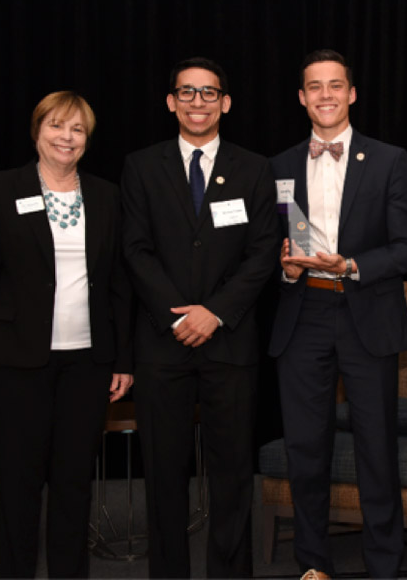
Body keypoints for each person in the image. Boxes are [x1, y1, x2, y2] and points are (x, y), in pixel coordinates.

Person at [0, 91, 134, 577]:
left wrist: (122, 359)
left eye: (77, 130)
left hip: (87, 364)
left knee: (74, 484)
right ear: (37, 132)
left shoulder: (105, 195)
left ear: (87, 139)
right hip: (15, 363)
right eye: (57, 126)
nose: (66, 137)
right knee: (18, 485)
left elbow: (119, 283)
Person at [269, 49, 407, 579]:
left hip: (365, 311)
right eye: (315, 86)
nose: (326, 95)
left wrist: (355, 263)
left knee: (376, 448)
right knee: (305, 448)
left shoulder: (388, 159)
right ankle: (313, 563)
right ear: (302, 98)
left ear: (352, 93)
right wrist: (287, 270)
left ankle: (384, 564)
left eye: (336, 85)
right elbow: (272, 244)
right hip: (303, 312)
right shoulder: (280, 166)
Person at [121, 57, 278, 577]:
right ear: (171, 102)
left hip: (230, 344)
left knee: (233, 475)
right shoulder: (141, 166)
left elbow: (262, 255)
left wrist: (215, 312)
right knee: (164, 474)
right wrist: (179, 318)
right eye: (186, 93)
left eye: (208, 93)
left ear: (225, 103)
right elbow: (136, 251)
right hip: (162, 347)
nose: (197, 102)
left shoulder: (255, 168)